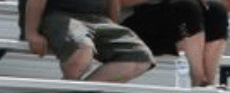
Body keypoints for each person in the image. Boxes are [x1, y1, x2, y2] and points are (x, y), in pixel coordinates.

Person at [19, 0, 153, 85]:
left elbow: (113, 2)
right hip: (58, 15)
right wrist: (31, 32)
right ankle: (67, 89)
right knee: (82, 52)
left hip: (97, 19)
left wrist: (111, 32)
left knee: (140, 58)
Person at [120, 0, 229, 92]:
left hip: (175, 26)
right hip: (132, 26)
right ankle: (198, 81)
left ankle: (209, 83)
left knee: (216, 10)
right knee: (187, 6)